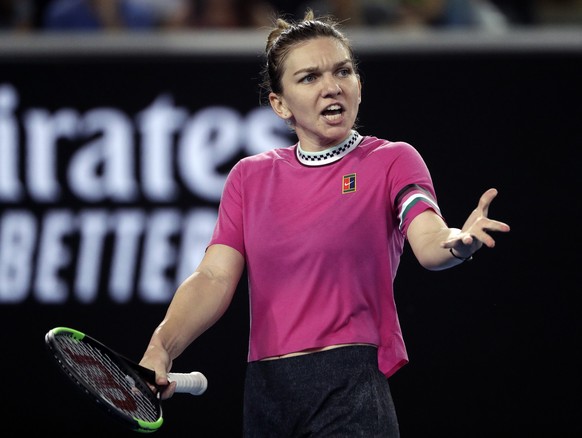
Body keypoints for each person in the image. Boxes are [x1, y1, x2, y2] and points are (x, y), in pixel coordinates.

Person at [139, 8, 510, 437]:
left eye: (343, 71)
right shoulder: (249, 177)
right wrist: (161, 348)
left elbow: (429, 240)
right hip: (266, 394)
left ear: (358, 84)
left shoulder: (392, 160)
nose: (331, 87)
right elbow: (213, 277)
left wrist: (457, 243)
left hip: (349, 389)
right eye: (309, 77)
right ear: (280, 104)